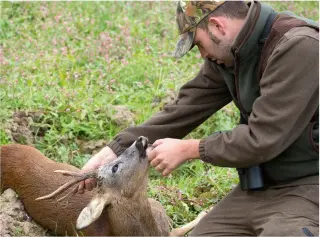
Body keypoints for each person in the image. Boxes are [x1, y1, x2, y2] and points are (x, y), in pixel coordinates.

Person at [79, 1, 319, 236]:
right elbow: (187, 106)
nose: (203, 55)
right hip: (261, 186)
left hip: (309, 185)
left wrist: (191, 149)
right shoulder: (232, 53)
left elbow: (263, 138)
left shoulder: (299, 48)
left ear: (217, 26)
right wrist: (115, 149)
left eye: (199, 44)